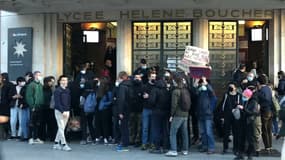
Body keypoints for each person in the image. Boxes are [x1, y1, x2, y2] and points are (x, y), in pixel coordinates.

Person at [165, 73, 189, 157]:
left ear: (175, 81)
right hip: (185, 114)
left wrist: (171, 115)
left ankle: (173, 150)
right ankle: (185, 150)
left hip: (178, 115)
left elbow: (174, 105)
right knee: (184, 132)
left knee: (172, 132)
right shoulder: (185, 90)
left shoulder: (175, 91)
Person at [234, 89, 260, 160]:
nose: (243, 97)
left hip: (249, 122)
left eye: (244, 96)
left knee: (250, 139)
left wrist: (243, 108)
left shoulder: (253, 102)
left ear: (248, 96)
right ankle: (241, 154)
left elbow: (252, 112)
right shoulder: (244, 100)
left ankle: (250, 155)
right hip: (242, 121)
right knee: (241, 138)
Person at [149, 77, 171, 153]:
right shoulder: (167, 91)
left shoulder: (154, 90)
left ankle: (157, 147)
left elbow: (151, 101)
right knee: (165, 129)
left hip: (157, 112)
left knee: (156, 129)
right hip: (166, 112)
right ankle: (165, 146)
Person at [219, 82, 242, 154]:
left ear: (235, 88)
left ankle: (236, 148)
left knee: (236, 133)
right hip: (227, 116)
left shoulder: (238, 96)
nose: (230, 88)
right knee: (226, 133)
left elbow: (241, 105)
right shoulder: (226, 95)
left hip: (236, 117)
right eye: (229, 87)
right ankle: (225, 148)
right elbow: (222, 106)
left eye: (232, 87)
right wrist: (222, 116)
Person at [195, 77, 216, 154]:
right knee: (203, 132)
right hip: (200, 113)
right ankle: (204, 146)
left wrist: (206, 83)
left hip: (207, 114)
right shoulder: (200, 90)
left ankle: (211, 147)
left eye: (203, 82)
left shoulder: (209, 90)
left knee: (208, 132)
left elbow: (213, 94)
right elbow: (195, 93)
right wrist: (197, 85)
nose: (202, 84)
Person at [52, 75, 72, 151]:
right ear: (60, 81)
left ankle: (56, 143)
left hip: (67, 111)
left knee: (62, 128)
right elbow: (57, 102)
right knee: (61, 127)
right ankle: (64, 144)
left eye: (66, 80)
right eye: (63, 80)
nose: (65, 82)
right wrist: (62, 111)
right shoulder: (57, 90)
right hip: (59, 111)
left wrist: (68, 110)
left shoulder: (67, 90)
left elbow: (68, 102)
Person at [25, 71, 45, 144]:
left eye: (40, 75)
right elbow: (29, 96)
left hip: (39, 106)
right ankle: (30, 138)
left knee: (37, 123)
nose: (39, 76)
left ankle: (36, 137)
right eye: (38, 75)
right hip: (33, 107)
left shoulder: (40, 85)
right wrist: (32, 105)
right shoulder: (31, 85)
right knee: (31, 123)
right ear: (34, 76)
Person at [116, 71, 132, 151]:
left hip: (123, 109)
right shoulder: (130, 85)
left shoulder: (122, 86)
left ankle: (124, 142)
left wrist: (120, 112)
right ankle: (126, 141)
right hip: (128, 108)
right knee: (126, 126)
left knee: (123, 126)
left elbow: (121, 100)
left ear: (120, 78)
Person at [257, 74, 273, 153]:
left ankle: (267, 147)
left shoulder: (261, 91)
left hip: (264, 112)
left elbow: (262, 100)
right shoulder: (268, 88)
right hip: (270, 110)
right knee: (269, 129)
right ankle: (270, 146)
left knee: (265, 130)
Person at [141, 71, 156, 150]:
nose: (154, 78)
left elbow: (155, 97)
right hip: (146, 109)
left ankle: (152, 143)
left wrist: (149, 96)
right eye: (152, 77)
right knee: (145, 128)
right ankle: (144, 143)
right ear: (149, 77)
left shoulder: (156, 86)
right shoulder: (145, 86)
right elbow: (143, 96)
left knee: (153, 128)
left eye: (155, 76)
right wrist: (151, 96)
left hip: (154, 109)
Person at [39, 76, 57, 141]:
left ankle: (52, 137)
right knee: (42, 123)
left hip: (50, 108)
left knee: (51, 123)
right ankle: (42, 137)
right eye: (49, 82)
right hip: (43, 108)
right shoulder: (41, 88)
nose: (51, 83)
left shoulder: (53, 89)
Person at [129, 74, 144, 147]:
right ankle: (131, 139)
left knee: (139, 126)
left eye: (139, 77)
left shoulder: (142, 86)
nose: (137, 79)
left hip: (140, 109)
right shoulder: (131, 86)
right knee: (132, 125)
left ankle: (138, 140)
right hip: (132, 109)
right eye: (136, 77)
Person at [97, 77, 113, 144]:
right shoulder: (108, 92)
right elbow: (111, 101)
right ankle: (107, 137)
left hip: (99, 110)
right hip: (106, 110)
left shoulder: (99, 92)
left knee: (101, 124)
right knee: (107, 124)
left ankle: (102, 136)